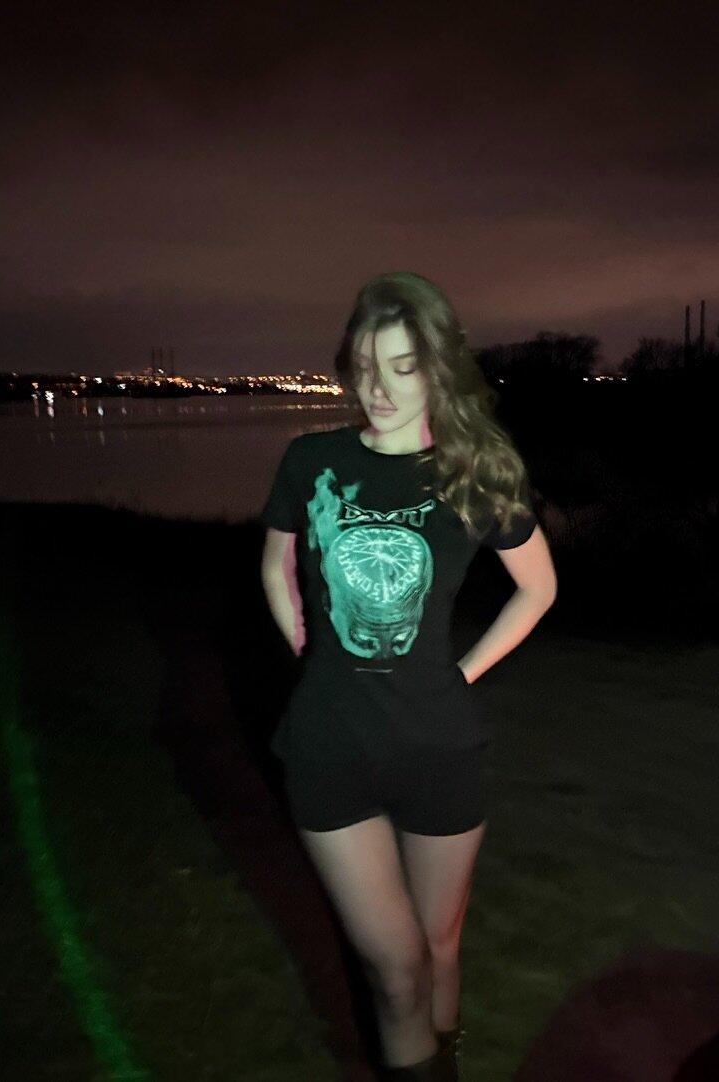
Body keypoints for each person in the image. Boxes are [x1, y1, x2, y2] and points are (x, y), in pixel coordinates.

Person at [258, 271, 557, 1081]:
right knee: (396, 970)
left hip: (439, 748)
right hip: (329, 747)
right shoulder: (312, 461)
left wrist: (463, 671)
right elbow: (277, 564)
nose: (378, 390)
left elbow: (538, 589)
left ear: (438, 371)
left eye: (401, 368)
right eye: (363, 367)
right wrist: (310, 649)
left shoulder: (474, 473)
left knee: (439, 946)